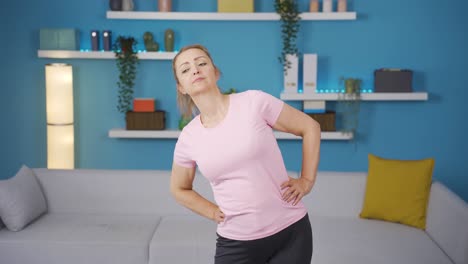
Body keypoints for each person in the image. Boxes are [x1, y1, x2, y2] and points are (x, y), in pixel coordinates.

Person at [170, 44, 321, 264]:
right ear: (181, 87)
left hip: (291, 232)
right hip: (236, 243)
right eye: (185, 69)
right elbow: (178, 188)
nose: (195, 69)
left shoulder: (254, 102)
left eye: (202, 63)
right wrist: (211, 212)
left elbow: (310, 127)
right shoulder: (189, 137)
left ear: (216, 72)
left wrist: (307, 180)